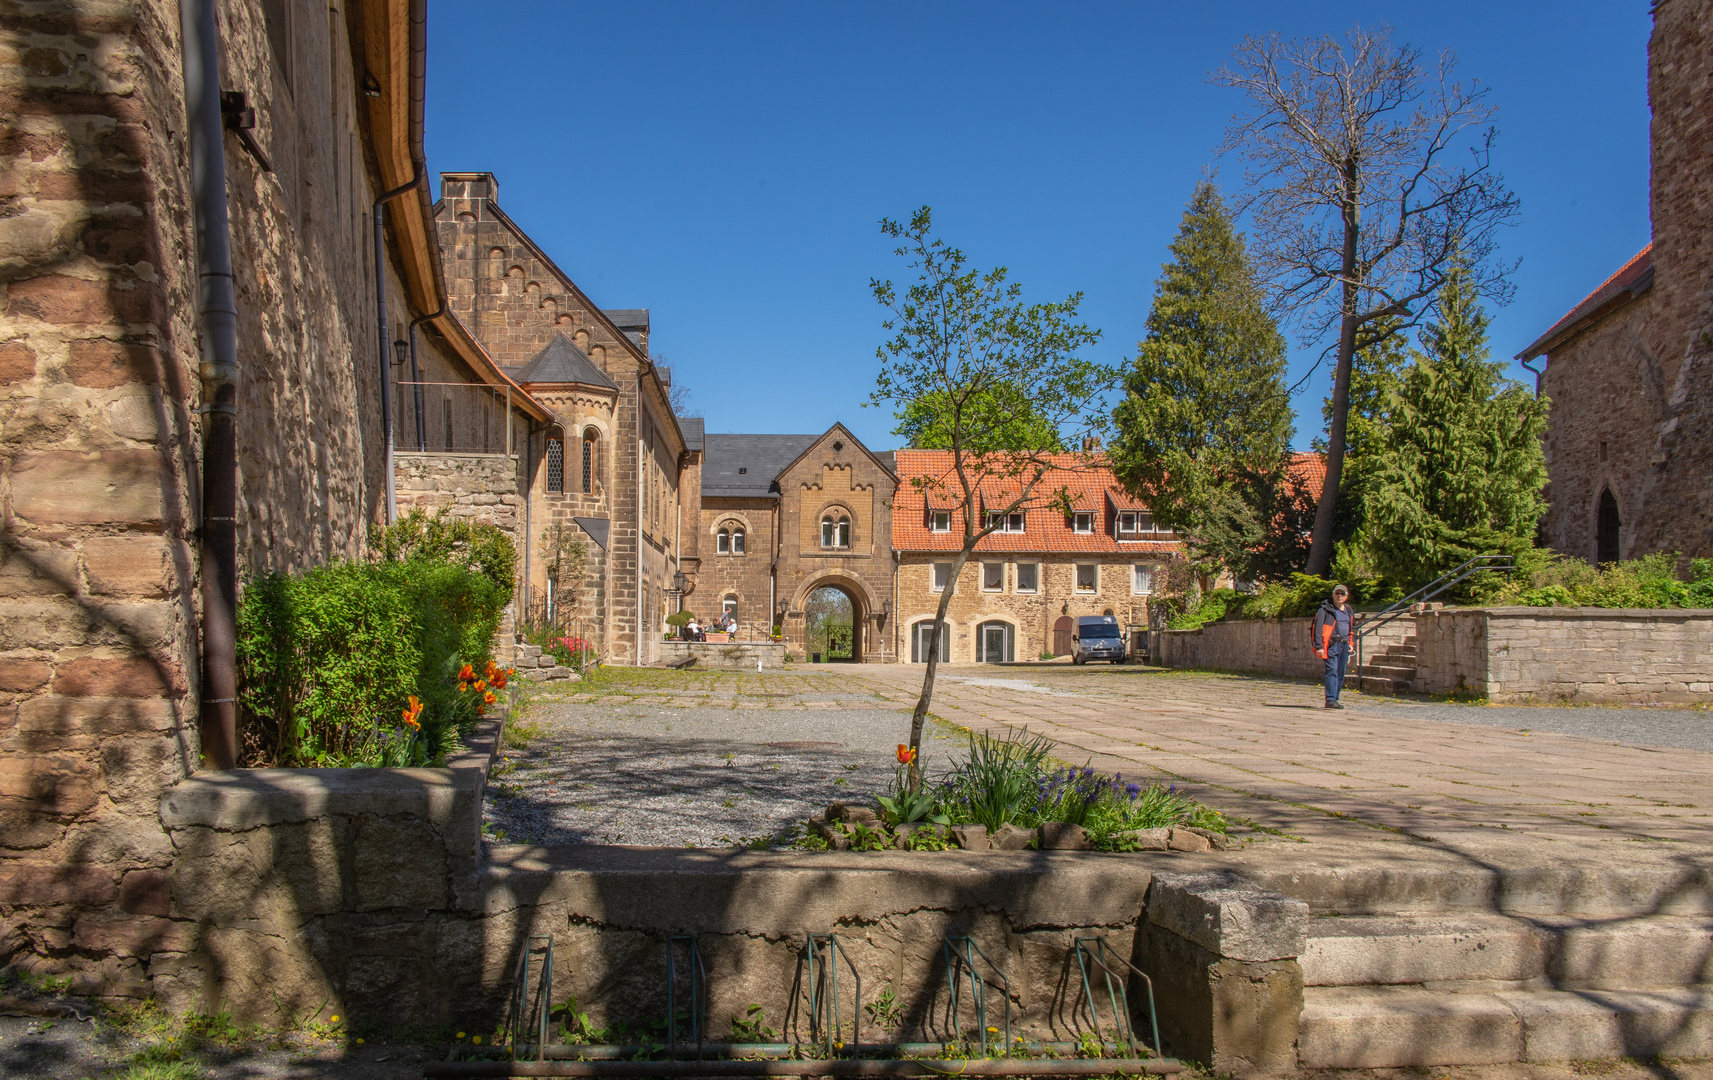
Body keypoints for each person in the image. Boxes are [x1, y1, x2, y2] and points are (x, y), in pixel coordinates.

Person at [1312, 584, 1355, 710]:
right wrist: (1318, 646)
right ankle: (1330, 699)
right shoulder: (1325, 610)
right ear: (1333, 595)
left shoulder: (1348, 610)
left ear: (1346, 596)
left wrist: (1351, 644)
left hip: (1344, 644)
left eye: (1342, 594)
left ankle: (1335, 698)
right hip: (1331, 645)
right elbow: (1317, 628)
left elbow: (1352, 628)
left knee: (1340, 672)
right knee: (1332, 670)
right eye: (1337, 593)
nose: (1339, 596)